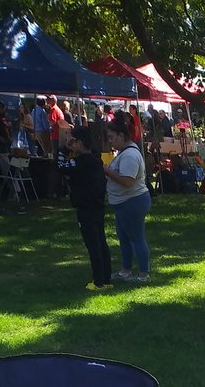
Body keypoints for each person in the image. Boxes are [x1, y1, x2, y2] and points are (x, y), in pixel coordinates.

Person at [58, 125, 112, 290]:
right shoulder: (96, 160)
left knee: (93, 244)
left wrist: (62, 149)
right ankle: (106, 277)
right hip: (97, 205)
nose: (70, 143)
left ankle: (98, 281)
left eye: (72, 140)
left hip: (85, 207)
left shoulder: (80, 162)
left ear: (79, 143)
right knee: (101, 241)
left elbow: (61, 167)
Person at [104, 113, 152, 282]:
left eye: (111, 137)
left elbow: (127, 181)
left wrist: (108, 171)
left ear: (121, 135)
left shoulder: (130, 155)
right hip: (124, 202)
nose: (110, 141)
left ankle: (143, 274)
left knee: (137, 238)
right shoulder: (124, 153)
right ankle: (125, 270)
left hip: (132, 201)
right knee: (124, 238)